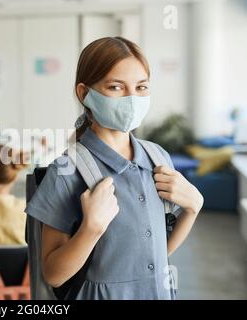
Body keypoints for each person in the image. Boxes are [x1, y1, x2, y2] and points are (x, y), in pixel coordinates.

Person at [25, 37, 204, 300]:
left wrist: (192, 209)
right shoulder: (66, 171)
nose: (132, 98)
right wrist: (91, 228)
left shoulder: (158, 158)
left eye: (141, 87)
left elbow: (156, 254)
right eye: (116, 87)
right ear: (85, 93)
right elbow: (53, 274)